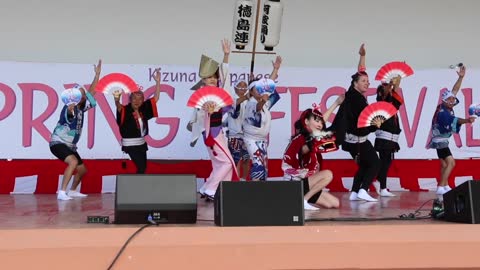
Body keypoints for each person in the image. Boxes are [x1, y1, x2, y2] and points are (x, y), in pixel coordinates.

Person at [187, 39, 239, 200]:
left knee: (219, 163)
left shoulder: (217, 92)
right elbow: (201, 117)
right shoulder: (203, 96)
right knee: (227, 162)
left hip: (216, 132)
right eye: (208, 78)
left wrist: (226, 55)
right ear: (203, 80)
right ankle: (211, 189)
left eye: (214, 77)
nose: (212, 80)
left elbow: (225, 78)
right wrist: (208, 111)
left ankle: (206, 187)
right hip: (211, 133)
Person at [50, 60, 102, 201]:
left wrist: (97, 75)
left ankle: (72, 191)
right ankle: (62, 192)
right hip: (58, 143)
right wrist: (71, 109)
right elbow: (70, 115)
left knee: (82, 170)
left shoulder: (81, 108)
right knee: (73, 162)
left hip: (70, 146)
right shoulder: (69, 108)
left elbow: (92, 92)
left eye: (83, 95)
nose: (83, 96)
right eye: (80, 94)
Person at [338, 44, 382, 202]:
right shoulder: (358, 101)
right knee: (375, 163)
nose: (367, 83)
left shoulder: (352, 93)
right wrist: (374, 126)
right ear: (355, 83)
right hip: (357, 140)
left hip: (350, 140)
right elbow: (362, 125)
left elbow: (360, 72)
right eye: (363, 81)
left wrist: (362, 56)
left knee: (365, 165)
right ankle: (363, 189)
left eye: (368, 81)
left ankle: (355, 192)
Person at [282, 97, 343, 210]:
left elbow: (319, 125)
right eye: (316, 121)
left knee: (334, 203)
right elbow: (304, 149)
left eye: (321, 122)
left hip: (305, 184)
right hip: (295, 185)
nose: (320, 124)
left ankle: (304, 198)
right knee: (328, 174)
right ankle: (304, 200)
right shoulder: (301, 138)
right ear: (306, 122)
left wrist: (336, 103)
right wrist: (316, 142)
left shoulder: (311, 137)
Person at [427, 65, 474, 195]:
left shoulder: (446, 107)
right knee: (451, 163)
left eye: (453, 99)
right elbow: (454, 120)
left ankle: (445, 185)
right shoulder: (443, 112)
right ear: (444, 100)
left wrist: (461, 77)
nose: (453, 100)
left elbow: (455, 90)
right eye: (450, 99)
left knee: (443, 165)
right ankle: (441, 186)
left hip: (441, 140)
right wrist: (466, 120)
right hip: (440, 141)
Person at [113, 70, 161, 174]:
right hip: (130, 144)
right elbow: (118, 106)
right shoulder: (125, 109)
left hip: (141, 143)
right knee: (141, 167)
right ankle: (136, 187)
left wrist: (158, 82)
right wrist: (116, 99)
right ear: (130, 99)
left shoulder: (144, 108)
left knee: (143, 168)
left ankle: (138, 186)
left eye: (140, 99)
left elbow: (156, 98)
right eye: (134, 98)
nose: (137, 101)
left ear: (143, 100)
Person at [242, 56, 282, 181]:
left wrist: (275, 69)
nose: (260, 91)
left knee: (264, 166)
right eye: (256, 89)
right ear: (251, 92)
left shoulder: (264, 103)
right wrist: (263, 100)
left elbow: (269, 85)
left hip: (262, 140)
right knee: (258, 164)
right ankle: (255, 191)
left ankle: (260, 190)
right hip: (251, 139)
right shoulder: (251, 103)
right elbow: (258, 107)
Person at [372, 74, 403, 197]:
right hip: (384, 137)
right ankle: (382, 186)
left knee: (387, 161)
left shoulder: (392, 103)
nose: (389, 90)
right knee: (385, 161)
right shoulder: (381, 102)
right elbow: (386, 91)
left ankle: (379, 181)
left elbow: (395, 92)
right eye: (386, 88)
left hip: (391, 137)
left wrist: (398, 78)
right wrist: (389, 84)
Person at [225, 79, 251, 181]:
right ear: (235, 88)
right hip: (234, 136)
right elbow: (235, 107)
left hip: (246, 135)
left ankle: (243, 180)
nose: (243, 88)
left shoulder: (249, 101)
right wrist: (245, 97)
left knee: (246, 159)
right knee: (237, 160)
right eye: (240, 86)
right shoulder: (232, 99)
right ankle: (236, 181)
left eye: (245, 86)